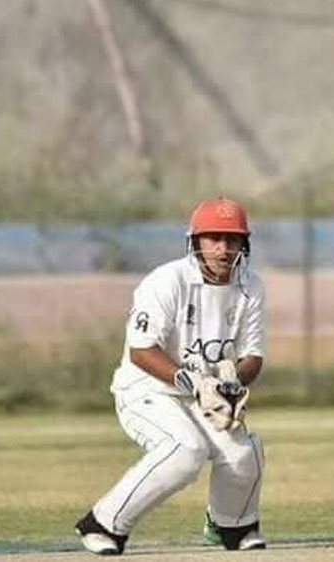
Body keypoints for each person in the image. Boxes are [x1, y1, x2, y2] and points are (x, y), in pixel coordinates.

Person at [74, 196, 268, 554]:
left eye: (232, 240)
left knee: (245, 453)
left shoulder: (250, 287)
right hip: (146, 390)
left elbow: (253, 356)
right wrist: (192, 381)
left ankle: (231, 525)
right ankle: (103, 523)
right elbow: (141, 350)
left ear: (245, 243)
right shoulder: (166, 281)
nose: (223, 249)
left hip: (203, 395)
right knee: (185, 450)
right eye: (213, 239)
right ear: (195, 242)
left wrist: (231, 382)